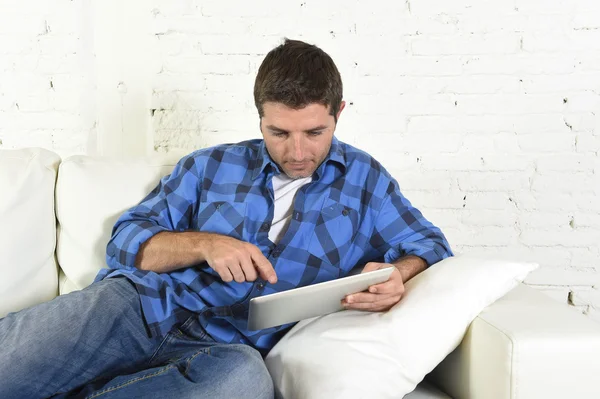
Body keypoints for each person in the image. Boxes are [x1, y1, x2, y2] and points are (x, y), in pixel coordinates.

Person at [0, 38, 452, 398]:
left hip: (228, 351)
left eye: (315, 132)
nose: (297, 152)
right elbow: (128, 241)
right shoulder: (209, 166)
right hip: (139, 308)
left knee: (243, 384)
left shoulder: (365, 181)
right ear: (260, 120)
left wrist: (398, 274)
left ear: (339, 113)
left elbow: (429, 245)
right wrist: (205, 244)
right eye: (279, 132)